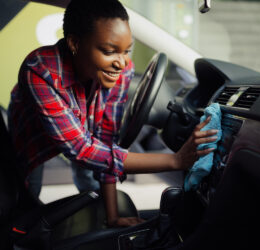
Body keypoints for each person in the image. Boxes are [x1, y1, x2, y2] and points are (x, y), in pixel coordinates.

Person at [8, 0, 217, 228]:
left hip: (84, 136)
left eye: (127, 51)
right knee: (25, 199)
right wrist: (176, 160)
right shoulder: (40, 71)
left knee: (90, 179)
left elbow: (105, 139)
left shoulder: (121, 69)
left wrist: (113, 217)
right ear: (75, 43)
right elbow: (82, 149)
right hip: (34, 139)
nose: (122, 62)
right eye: (109, 51)